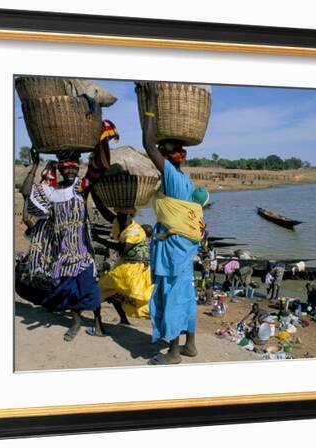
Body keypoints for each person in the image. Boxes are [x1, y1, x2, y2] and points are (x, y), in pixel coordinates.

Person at [18, 120, 120, 342]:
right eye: (67, 167)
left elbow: (100, 167)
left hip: (82, 251)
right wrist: (34, 165)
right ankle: (75, 323)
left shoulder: (81, 188)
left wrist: (101, 140)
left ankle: (98, 323)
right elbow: (26, 192)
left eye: (75, 167)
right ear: (60, 169)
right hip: (63, 253)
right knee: (68, 291)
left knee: (90, 290)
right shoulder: (52, 193)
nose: (72, 170)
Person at [140, 82, 204, 365]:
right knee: (186, 293)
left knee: (171, 295)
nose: (157, 152)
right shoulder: (185, 180)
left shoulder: (172, 176)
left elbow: (146, 142)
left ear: (166, 157)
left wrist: (151, 103)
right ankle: (190, 345)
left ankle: (174, 353)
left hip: (173, 249)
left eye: (162, 151)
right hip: (184, 247)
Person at [90, 196, 154, 327]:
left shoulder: (135, 231)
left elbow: (124, 248)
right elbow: (105, 212)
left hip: (130, 271)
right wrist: (95, 194)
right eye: (118, 213)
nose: (119, 216)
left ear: (131, 215)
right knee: (113, 295)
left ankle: (98, 327)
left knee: (97, 291)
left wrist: (99, 239)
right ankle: (123, 319)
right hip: (130, 270)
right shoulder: (122, 224)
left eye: (122, 214)